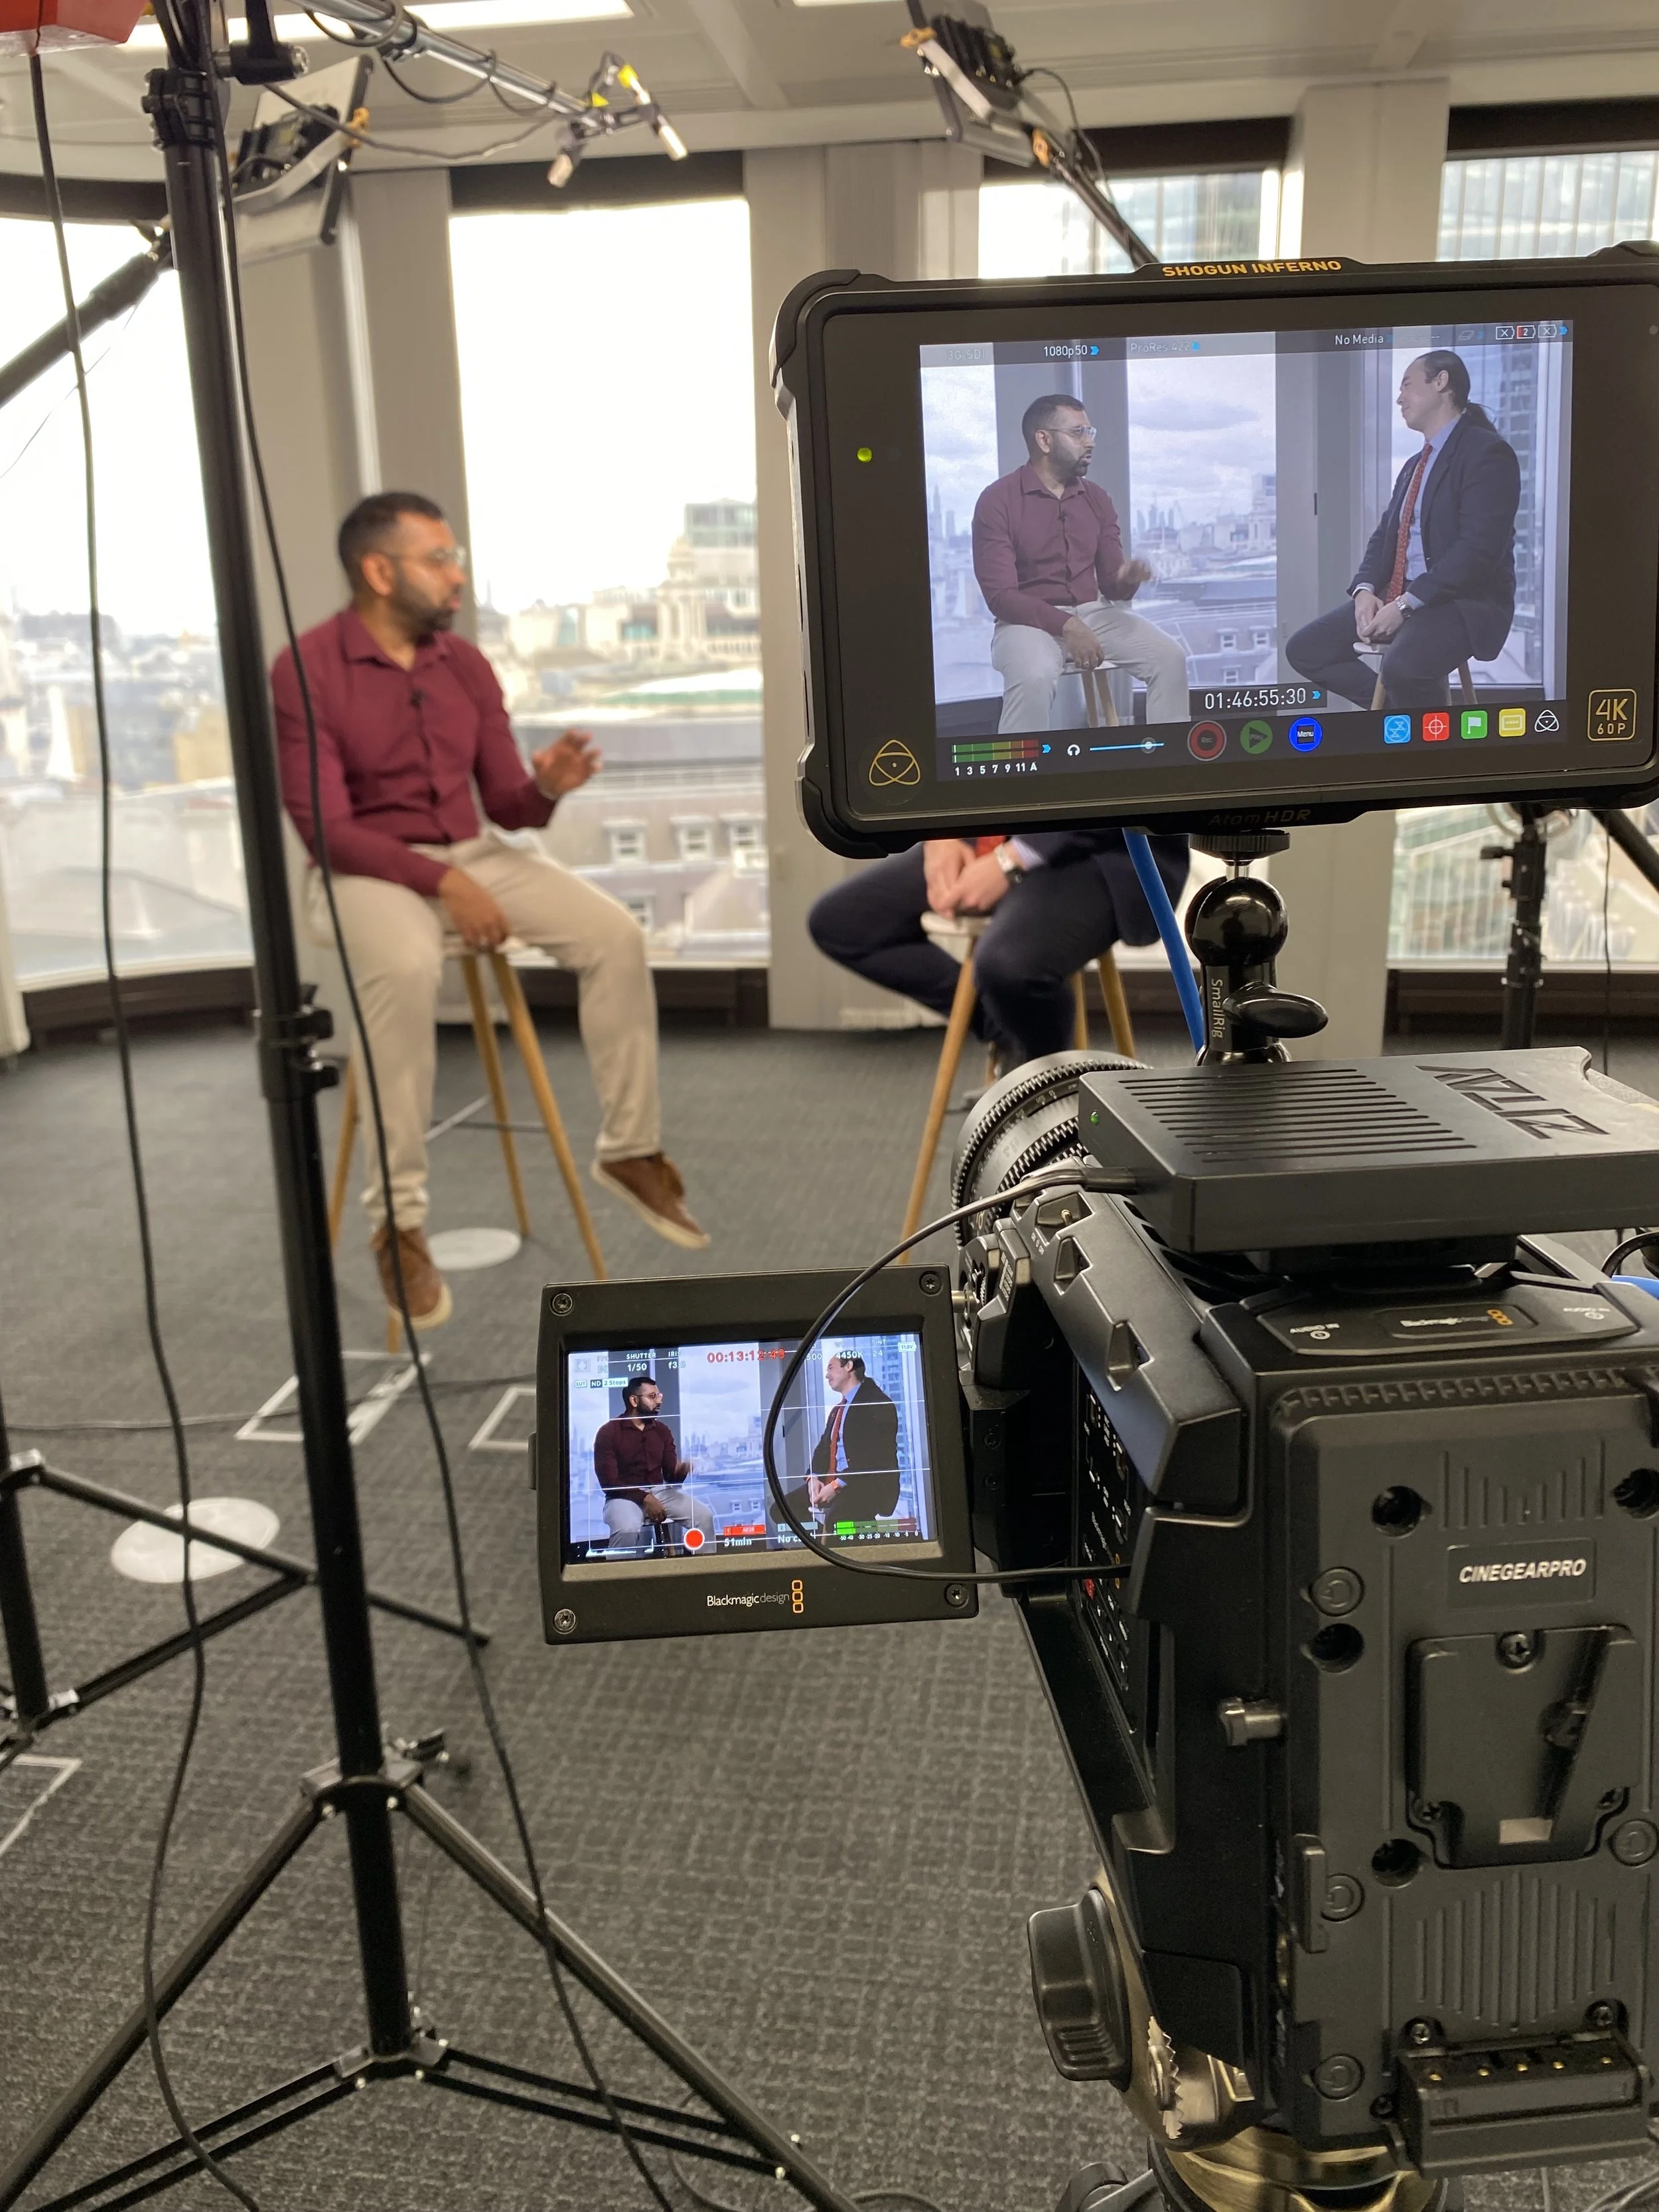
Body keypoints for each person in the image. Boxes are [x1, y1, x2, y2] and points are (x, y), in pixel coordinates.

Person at [271, 492, 707, 1333]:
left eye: (455, 558)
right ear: (379, 570)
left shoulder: (464, 664)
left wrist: (545, 786)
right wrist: (444, 885)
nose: (457, 575)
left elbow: (506, 804)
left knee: (614, 935)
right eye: (439, 559)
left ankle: (627, 1149)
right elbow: (327, 831)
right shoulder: (307, 668)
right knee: (402, 967)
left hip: (472, 854)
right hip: (366, 865)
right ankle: (397, 1222)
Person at [808, 830, 1189, 1069]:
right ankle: (1007, 1029)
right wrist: (940, 832)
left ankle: (1047, 1096)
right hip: (989, 830)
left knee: (1011, 965)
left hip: (1104, 842)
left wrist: (1015, 859)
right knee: (843, 924)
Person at [1285, 350, 1520, 713]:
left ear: (1441, 382)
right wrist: (1364, 592)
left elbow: (1478, 551)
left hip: (1463, 602)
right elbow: (1385, 538)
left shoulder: (1487, 453)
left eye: (1407, 386)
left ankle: (1429, 753)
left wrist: (1406, 605)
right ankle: (1404, 716)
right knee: (1306, 649)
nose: (1399, 398)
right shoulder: (1414, 465)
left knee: (1404, 668)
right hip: (1402, 594)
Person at [972, 394, 1189, 733]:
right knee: (1034, 674)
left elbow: (1111, 587)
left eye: (1090, 432)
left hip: (1093, 613)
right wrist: (1068, 626)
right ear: (1044, 440)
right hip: (1025, 621)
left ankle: (1172, 767)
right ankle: (1016, 776)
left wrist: (1127, 578)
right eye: (1078, 433)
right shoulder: (997, 501)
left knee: (1170, 657)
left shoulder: (1097, 498)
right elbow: (1000, 596)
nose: (1090, 443)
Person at [592, 1373, 714, 1554]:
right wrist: (645, 1498)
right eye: (652, 1396)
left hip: (660, 1492)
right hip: (622, 1497)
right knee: (627, 1529)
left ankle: (702, 1573)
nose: (659, 1401)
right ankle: (619, 1580)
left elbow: (671, 1478)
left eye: (659, 1396)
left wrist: (681, 1471)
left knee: (704, 1516)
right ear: (634, 1401)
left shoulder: (662, 1431)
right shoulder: (608, 1433)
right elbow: (609, 1484)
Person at [780, 1353, 901, 1534]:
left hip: (865, 1483)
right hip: (835, 1481)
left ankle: (830, 1541)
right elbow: (823, 1448)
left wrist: (836, 1486)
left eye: (830, 1368)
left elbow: (873, 1457)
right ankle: (824, 1542)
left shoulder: (878, 1403)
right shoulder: (839, 1409)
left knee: (836, 1520)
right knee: (781, 1510)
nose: (827, 1375)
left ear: (849, 1366)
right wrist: (813, 1477)